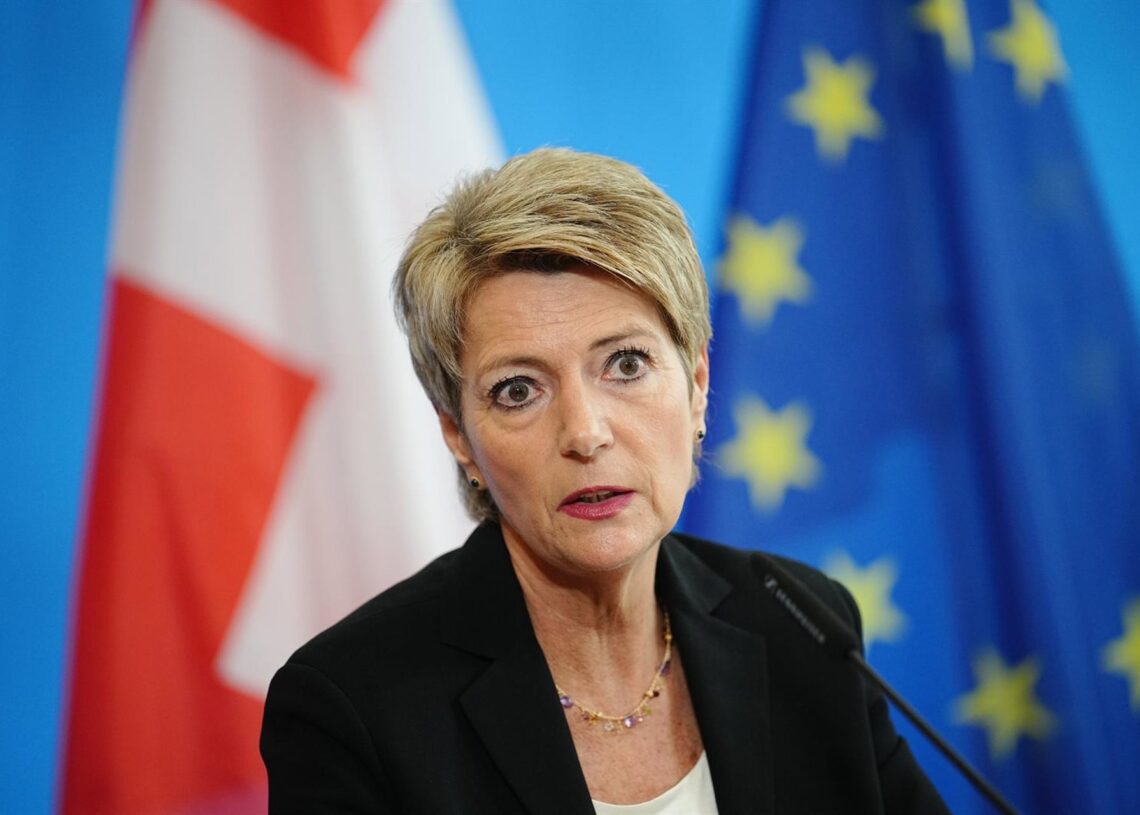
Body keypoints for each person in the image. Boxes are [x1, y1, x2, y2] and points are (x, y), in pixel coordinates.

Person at [260, 148, 950, 814]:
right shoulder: (353, 707)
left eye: (625, 364)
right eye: (518, 390)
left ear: (697, 386)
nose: (585, 432)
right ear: (459, 437)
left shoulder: (802, 626)